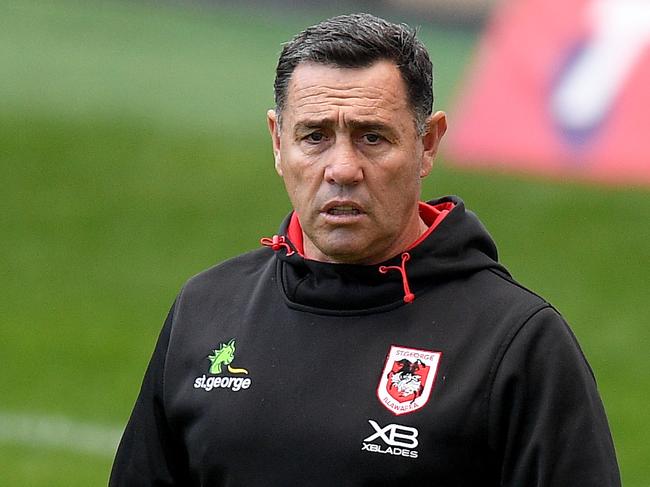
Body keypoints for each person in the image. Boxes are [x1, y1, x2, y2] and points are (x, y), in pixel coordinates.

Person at [110, 13, 621, 486]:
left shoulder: (516, 343)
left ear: (427, 145)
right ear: (277, 142)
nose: (343, 169)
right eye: (314, 136)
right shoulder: (207, 309)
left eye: (372, 138)